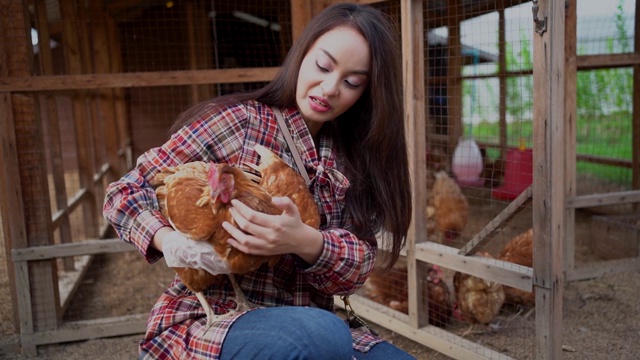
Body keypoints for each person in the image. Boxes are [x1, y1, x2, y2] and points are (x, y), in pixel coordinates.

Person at [103, 3, 413, 359]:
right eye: (323, 66)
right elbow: (125, 190)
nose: (329, 88)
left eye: (352, 82)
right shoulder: (240, 122)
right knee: (319, 337)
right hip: (215, 319)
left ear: (368, 92)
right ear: (301, 54)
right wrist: (170, 241)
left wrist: (305, 241)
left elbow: (355, 272)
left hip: (312, 324)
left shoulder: (353, 157)